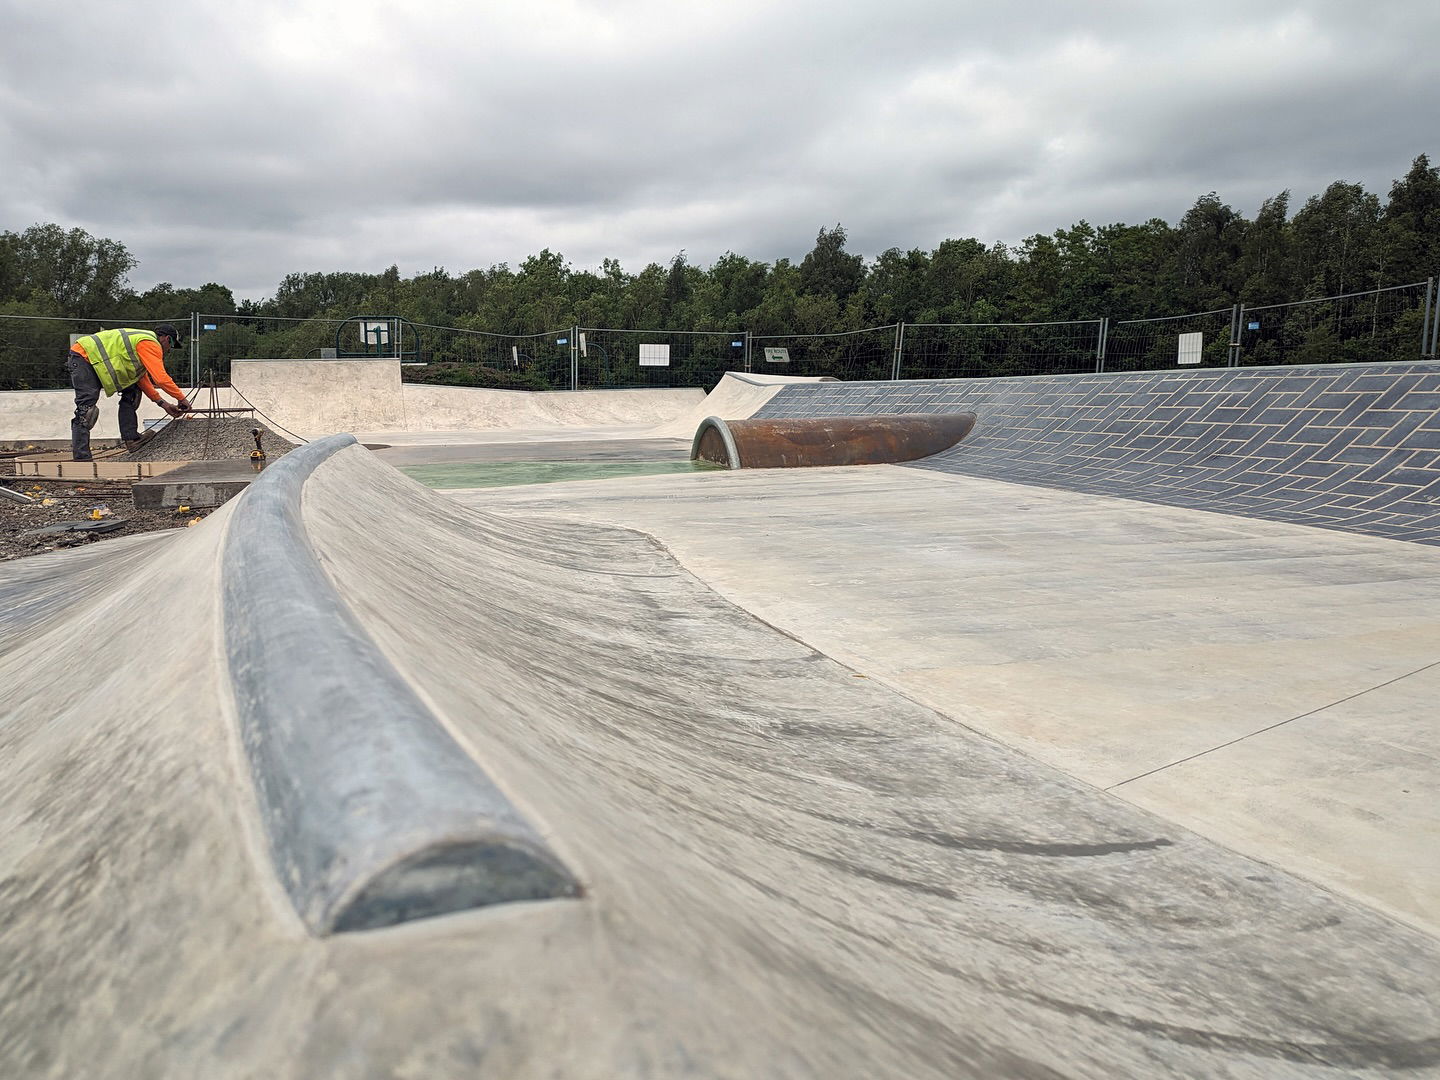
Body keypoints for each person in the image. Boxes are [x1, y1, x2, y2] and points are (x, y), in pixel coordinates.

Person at [67, 323, 192, 460]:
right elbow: (161, 379)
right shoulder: (150, 343)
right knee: (87, 411)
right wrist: (181, 398)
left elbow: (142, 380)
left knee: (134, 391)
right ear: (167, 339)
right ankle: (81, 457)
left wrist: (164, 404)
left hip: (94, 360)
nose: (169, 350)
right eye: (171, 346)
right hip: (83, 357)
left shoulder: (142, 345)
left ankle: (132, 439)